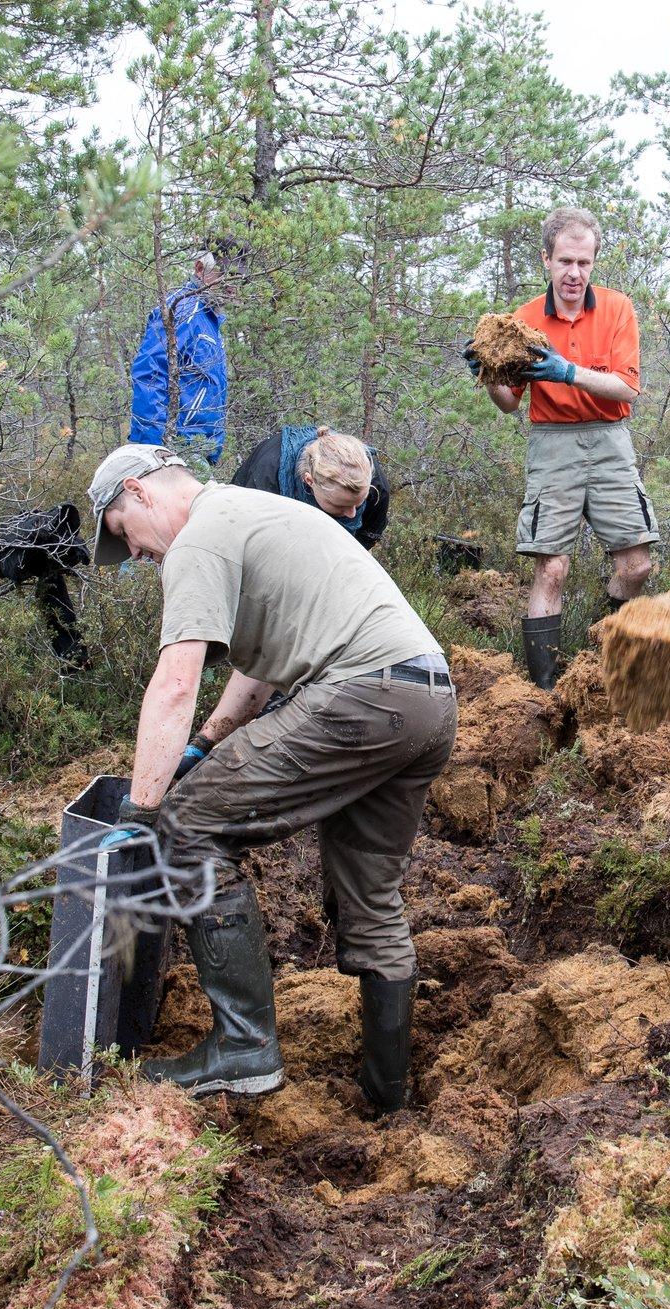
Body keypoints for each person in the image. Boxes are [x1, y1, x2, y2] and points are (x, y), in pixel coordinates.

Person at [87, 443, 455, 1110]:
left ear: (139, 492)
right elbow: (256, 675)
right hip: (425, 698)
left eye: (123, 534)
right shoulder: (252, 514)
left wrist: (142, 814)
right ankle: (387, 1102)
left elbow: (175, 681)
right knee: (369, 899)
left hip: (362, 695)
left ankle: (244, 1047)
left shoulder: (201, 536)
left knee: (188, 825)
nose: (136, 555)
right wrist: (202, 747)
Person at [472, 206, 653, 688]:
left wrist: (568, 372)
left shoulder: (617, 309)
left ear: (594, 263)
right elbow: (508, 403)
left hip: (611, 440)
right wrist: (489, 374)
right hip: (553, 444)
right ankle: (545, 691)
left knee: (636, 567)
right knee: (552, 568)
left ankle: (607, 650)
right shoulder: (525, 320)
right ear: (546, 260)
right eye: (565, 262)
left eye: (584, 263)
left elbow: (628, 389)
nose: (575, 274)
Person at [129, 239, 239, 468]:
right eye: (225, 275)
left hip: (198, 450)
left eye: (238, 278)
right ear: (200, 268)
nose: (232, 285)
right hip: (174, 451)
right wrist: (156, 449)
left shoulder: (210, 320)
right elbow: (149, 374)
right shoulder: (183, 309)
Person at [232, 425, 392, 550]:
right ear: (310, 481)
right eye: (340, 505)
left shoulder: (373, 484)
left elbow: (365, 539)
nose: (352, 514)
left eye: (358, 503)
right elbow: (242, 536)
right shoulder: (265, 484)